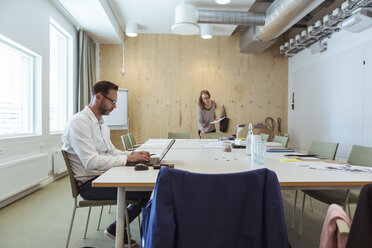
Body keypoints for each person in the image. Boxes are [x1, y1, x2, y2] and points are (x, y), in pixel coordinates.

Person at [62, 80, 151, 247]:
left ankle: (117, 228)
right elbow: (91, 162)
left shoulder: (101, 124)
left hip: (105, 176)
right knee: (147, 192)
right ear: (98, 96)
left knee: (148, 188)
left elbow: (111, 151)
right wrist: (127, 159)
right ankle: (121, 230)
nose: (115, 106)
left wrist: (132, 154)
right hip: (90, 185)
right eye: (113, 101)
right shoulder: (79, 123)